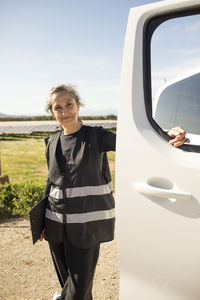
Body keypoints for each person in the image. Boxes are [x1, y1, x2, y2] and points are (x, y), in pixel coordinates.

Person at [39, 84, 189, 300]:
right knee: (72, 287)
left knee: (77, 290)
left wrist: (169, 135)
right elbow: (51, 182)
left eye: (69, 104)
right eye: (58, 107)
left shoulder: (96, 137)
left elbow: (137, 143)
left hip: (86, 227)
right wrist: (42, 220)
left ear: (78, 105)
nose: (64, 112)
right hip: (55, 225)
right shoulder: (51, 142)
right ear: (52, 112)